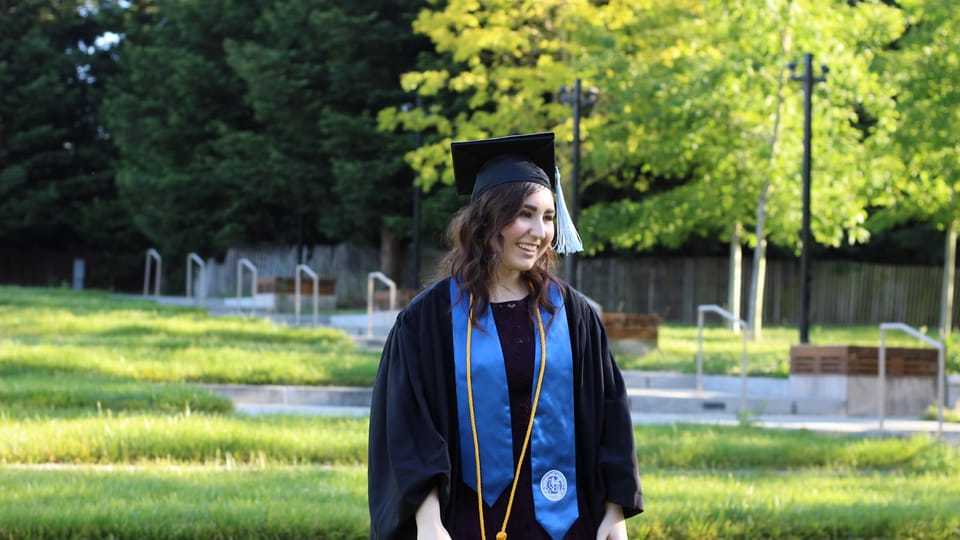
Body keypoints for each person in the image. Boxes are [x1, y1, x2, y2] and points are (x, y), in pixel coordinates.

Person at [368, 132, 642, 540]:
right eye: (525, 214)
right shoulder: (430, 319)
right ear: (487, 219)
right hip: (462, 521)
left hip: (564, 520)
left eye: (549, 217)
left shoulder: (572, 313)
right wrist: (427, 522)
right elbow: (409, 426)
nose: (539, 231)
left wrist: (613, 513)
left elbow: (609, 417)